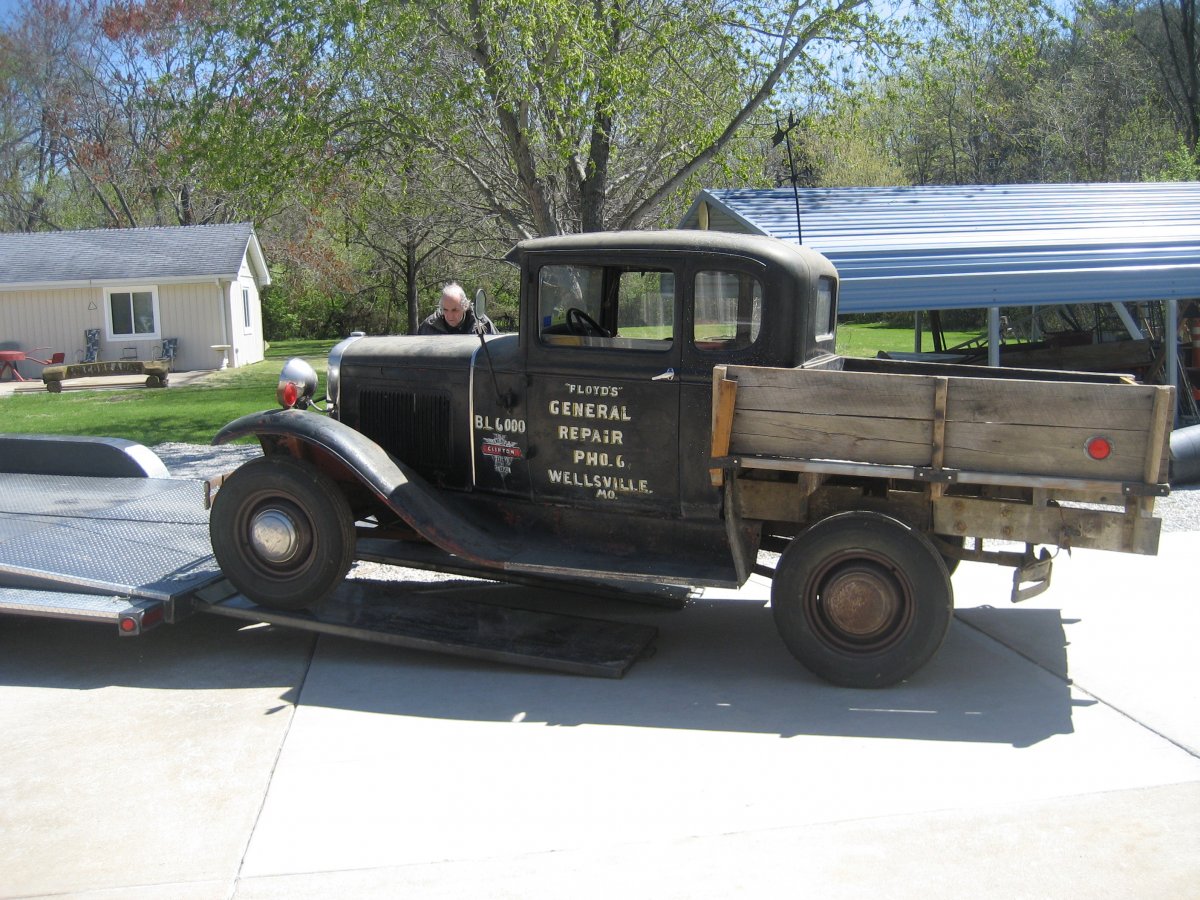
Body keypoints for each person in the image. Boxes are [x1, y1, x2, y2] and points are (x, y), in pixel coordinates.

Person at [418, 282, 498, 335]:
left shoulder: (483, 324)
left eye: (455, 310)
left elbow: (498, 352)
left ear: (465, 306)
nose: (449, 316)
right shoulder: (428, 326)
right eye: (445, 310)